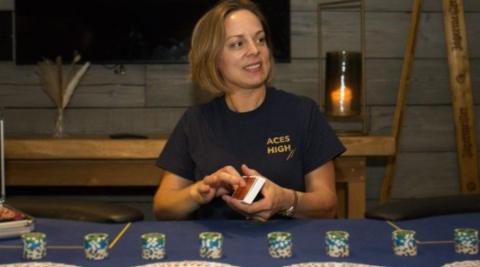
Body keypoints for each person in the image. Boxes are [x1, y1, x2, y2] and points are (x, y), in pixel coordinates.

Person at [153, 0, 345, 222]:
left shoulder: (303, 112)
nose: (255, 50)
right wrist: (199, 192)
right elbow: (162, 207)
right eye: (237, 44)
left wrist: (285, 201)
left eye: (260, 39)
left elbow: (328, 205)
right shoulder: (195, 121)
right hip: (216, 252)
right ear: (213, 58)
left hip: (290, 250)